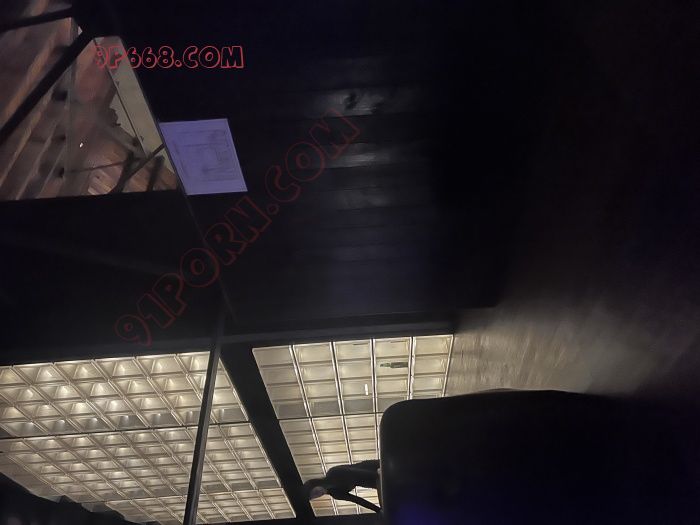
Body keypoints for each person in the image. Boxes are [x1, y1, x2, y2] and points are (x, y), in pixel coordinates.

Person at [303, 459, 381, 513]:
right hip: (371, 482)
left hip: (371, 468)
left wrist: (377, 475)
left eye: (316, 492)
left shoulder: (332, 473)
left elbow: (355, 472)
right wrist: (378, 510)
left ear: (316, 484)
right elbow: (357, 500)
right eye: (316, 496)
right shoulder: (335, 494)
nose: (319, 494)